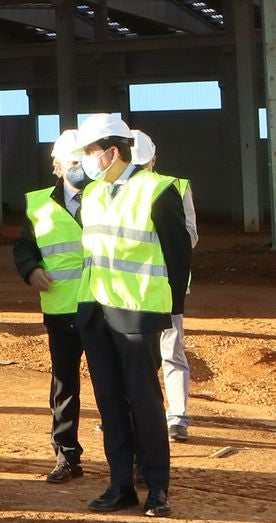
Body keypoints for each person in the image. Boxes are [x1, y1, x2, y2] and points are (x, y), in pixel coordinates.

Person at [72, 114, 189, 517]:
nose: (86, 161)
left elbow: (178, 255)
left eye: (89, 153)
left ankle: (157, 488)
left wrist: (172, 311)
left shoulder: (158, 191)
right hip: (96, 312)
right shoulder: (91, 195)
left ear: (112, 151)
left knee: (145, 403)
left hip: (139, 313)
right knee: (109, 404)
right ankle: (120, 484)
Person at [13, 129, 89, 484]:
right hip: (61, 310)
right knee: (64, 384)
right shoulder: (38, 203)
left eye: (82, 160)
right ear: (56, 166)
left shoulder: (109, 198)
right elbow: (24, 248)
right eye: (70, 161)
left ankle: (130, 459)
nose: (77, 167)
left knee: (115, 387)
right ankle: (66, 455)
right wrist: (31, 270)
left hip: (106, 307)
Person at [132, 130, 196, 443]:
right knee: (133, 355)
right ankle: (132, 414)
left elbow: (189, 236)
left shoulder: (175, 188)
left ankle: (178, 418)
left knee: (171, 351)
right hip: (131, 287)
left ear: (154, 159)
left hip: (166, 285)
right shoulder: (114, 192)